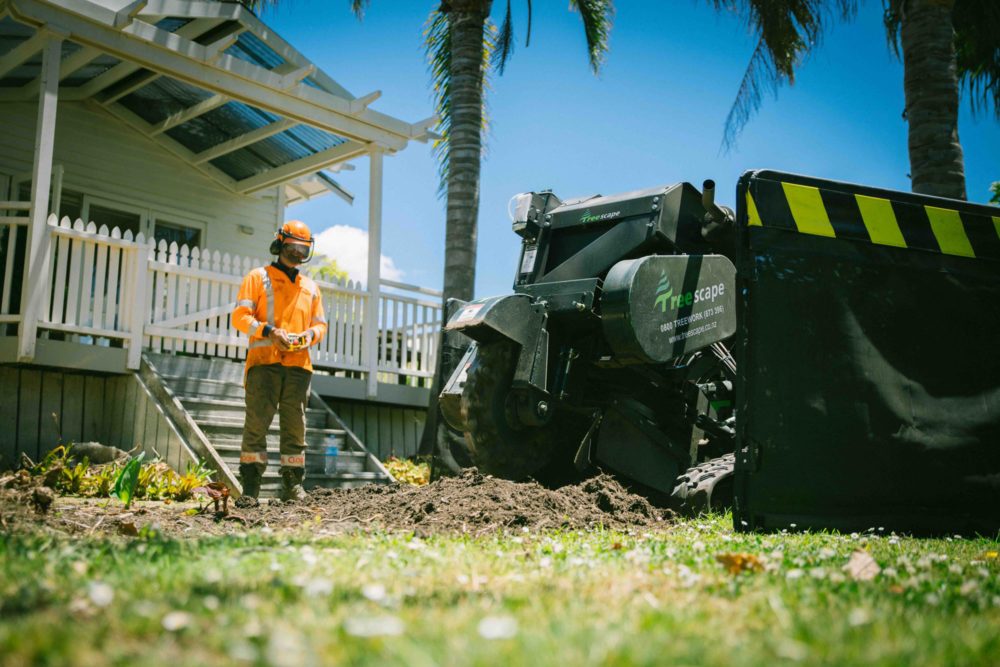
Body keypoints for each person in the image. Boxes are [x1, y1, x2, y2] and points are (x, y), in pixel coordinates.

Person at [231, 220, 327, 507]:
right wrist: (269, 332)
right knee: (256, 426)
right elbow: (240, 317)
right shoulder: (257, 278)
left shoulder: (310, 287)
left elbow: (321, 325)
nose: (299, 253)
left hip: (299, 367)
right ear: (281, 244)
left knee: (295, 428)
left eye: (304, 248)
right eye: (295, 246)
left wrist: (309, 335)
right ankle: (251, 488)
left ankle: (292, 484)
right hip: (264, 363)